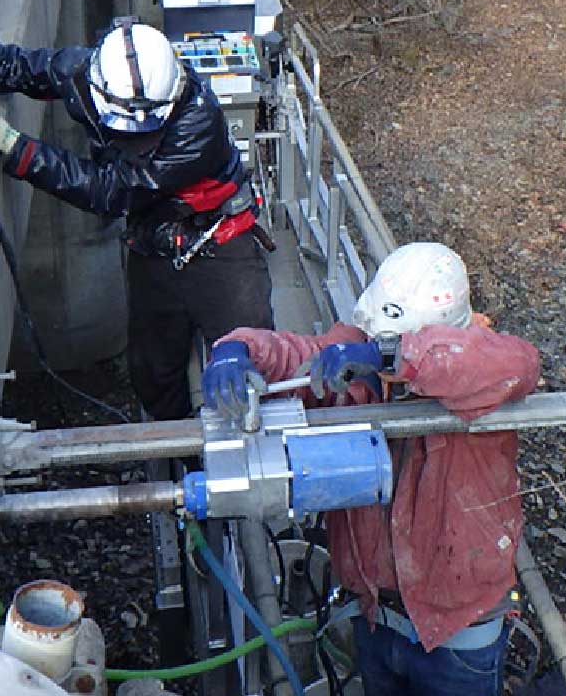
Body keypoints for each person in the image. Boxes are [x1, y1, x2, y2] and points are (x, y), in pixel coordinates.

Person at [201, 242, 542, 696]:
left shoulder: (482, 368)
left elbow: (520, 363)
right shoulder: (357, 357)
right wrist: (239, 348)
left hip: (460, 633)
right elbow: (298, 356)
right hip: (374, 617)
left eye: (390, 342)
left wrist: (394, 357)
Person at [0, 17, 274, 419]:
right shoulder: (83, 72)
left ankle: (246, 453)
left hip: (221, 244)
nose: (134, 134)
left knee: (250, 360)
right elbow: (19, 67)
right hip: (158, 245)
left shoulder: (197, 128)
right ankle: (176, 452)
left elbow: (111, 190)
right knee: (152, 372)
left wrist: (20, 150)